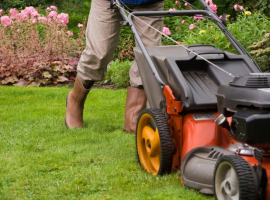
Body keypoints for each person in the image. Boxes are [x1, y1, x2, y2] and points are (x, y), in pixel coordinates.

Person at [65, 0, 164, 133]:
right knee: (99, 52)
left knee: (148, 56)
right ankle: (75, 100)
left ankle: (133, 118)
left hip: (148, 2)